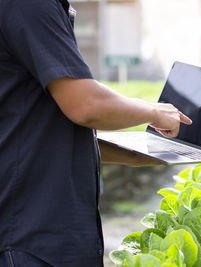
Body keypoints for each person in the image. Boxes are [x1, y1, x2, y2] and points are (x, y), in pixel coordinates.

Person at [0, 0, 191, 266]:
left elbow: (36, 124)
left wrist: (137, 153)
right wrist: (153, 111)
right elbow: (85, 104)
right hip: (31, 239)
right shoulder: (31, 4)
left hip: (36, 236)